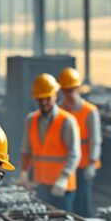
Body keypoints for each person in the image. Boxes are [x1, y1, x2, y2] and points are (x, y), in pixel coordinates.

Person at [17, 73, 80, 211]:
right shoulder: (31, 120)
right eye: (40, 99)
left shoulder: (66, 121)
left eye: (47, 98)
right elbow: (26, 150)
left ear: (55, 95)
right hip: (41, 184)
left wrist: (63, 178)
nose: (44, 102)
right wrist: (24, 172)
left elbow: (74, 154)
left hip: (62, 188)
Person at [58, 68, 101, 217]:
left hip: (83, 166)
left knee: (83, 204)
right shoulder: (59, 110)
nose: (69, 94)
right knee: (67, 205)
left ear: (78, 88)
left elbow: (95, 139)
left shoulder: (89, 111)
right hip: (66, 165)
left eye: (71, 90)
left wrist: (91, 163)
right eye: (66, 90)